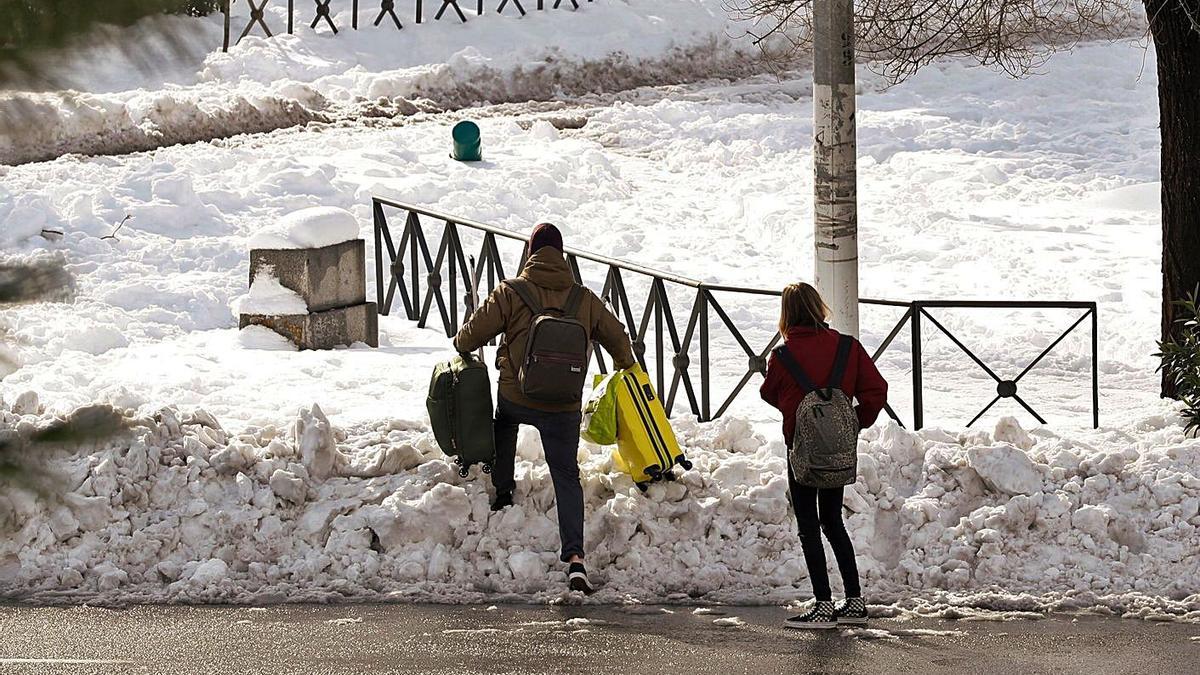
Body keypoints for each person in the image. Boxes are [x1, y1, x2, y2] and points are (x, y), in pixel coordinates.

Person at [453, 222, 636, 594]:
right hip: (563, 405)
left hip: (517, 396)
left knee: (503, 424)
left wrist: (463, 341)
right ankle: (575, 560)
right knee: (566, 475)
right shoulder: (583, 299)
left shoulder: (511, 292)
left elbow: (469, 338)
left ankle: (503, 492)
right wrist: (626, 365)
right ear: (562, 255)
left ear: (530, 252)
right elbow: (618, 339)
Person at [760, 282, 888, 629]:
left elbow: (768, 392)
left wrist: (799, 410)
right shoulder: (848, 347)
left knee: (808, 525)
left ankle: (822, 606)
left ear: (786, 314)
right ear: (819, 308)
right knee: (833, 520)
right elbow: (877, 390)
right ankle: (855, 602)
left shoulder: (783, 355)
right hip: (838, 450)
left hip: (802, 451)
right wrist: (853, 423)